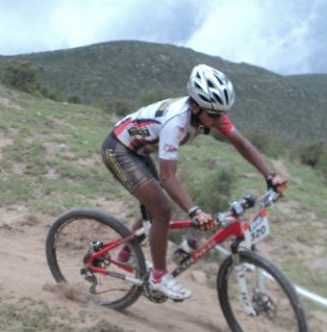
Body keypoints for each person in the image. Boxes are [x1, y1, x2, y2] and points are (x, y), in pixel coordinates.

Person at [101, 64, 287, 301]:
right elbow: (168, 177)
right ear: (196, 105)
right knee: (162, 208)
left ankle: (126, 252)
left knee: (153, 202)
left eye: (222, 114)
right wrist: (195, 211)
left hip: (141, 150)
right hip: (119, 150)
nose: (219, 120)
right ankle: (158, 277)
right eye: (214, 115)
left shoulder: (209, 113)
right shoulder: (177, 122)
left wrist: (269, 175)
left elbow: (240, 143)